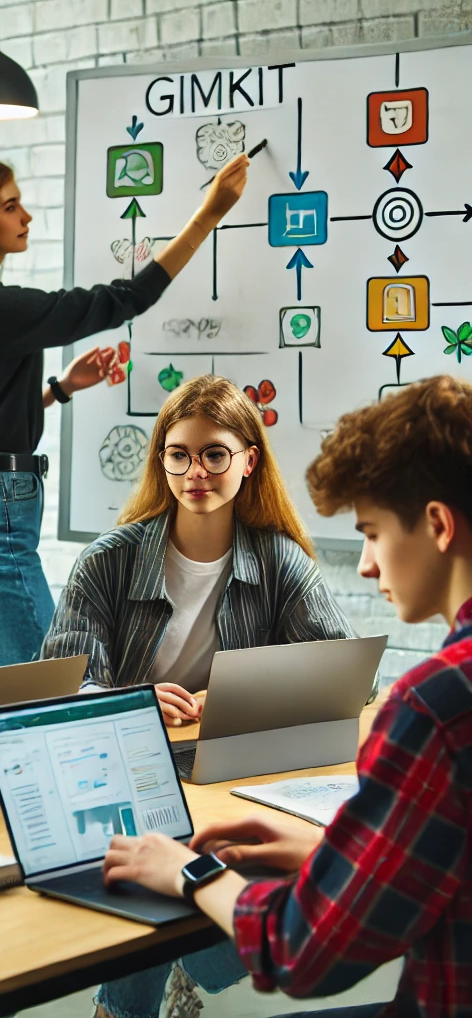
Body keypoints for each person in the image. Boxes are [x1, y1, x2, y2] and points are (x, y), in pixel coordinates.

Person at [99, 374, 472, 1018]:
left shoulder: (433, 708)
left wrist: (188, 873)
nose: (365, 564)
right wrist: (337, 851)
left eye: (372, 531)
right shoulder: (111, 559)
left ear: (437, 525)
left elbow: (300, 951)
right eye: (180, 454)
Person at [38, 374, 355, 1018]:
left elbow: (347, 674)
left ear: (248, 462)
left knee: (245, 851)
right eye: (179, 454)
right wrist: (132, 703)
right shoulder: (109, 560)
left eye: (215, 453)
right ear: (162, 461)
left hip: (223, 772)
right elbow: (60, 681)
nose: (196, 471)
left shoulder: (279, 562)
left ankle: (172, 978)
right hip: (125, 765)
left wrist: (244, 694)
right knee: (175, 852)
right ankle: (126, 1008)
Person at [0, 153, 251, 670]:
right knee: (54, 684)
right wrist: (209, 213)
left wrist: (58, 388)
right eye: (10, 206)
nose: (26, 218)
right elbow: (123, 299)